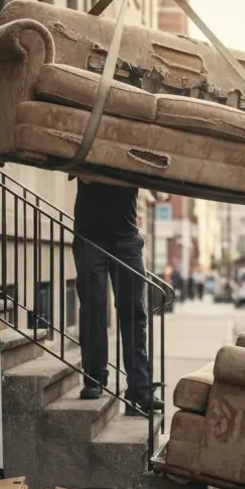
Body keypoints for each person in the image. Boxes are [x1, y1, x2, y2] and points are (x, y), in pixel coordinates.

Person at [71, 178, 164, 418]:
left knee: (134, 313)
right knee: (94, 310)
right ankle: (94, 379)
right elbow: (76, 169)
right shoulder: (90, 142)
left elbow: (160, 191)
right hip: (90, 238)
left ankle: (139, 389)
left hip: (127, 240)